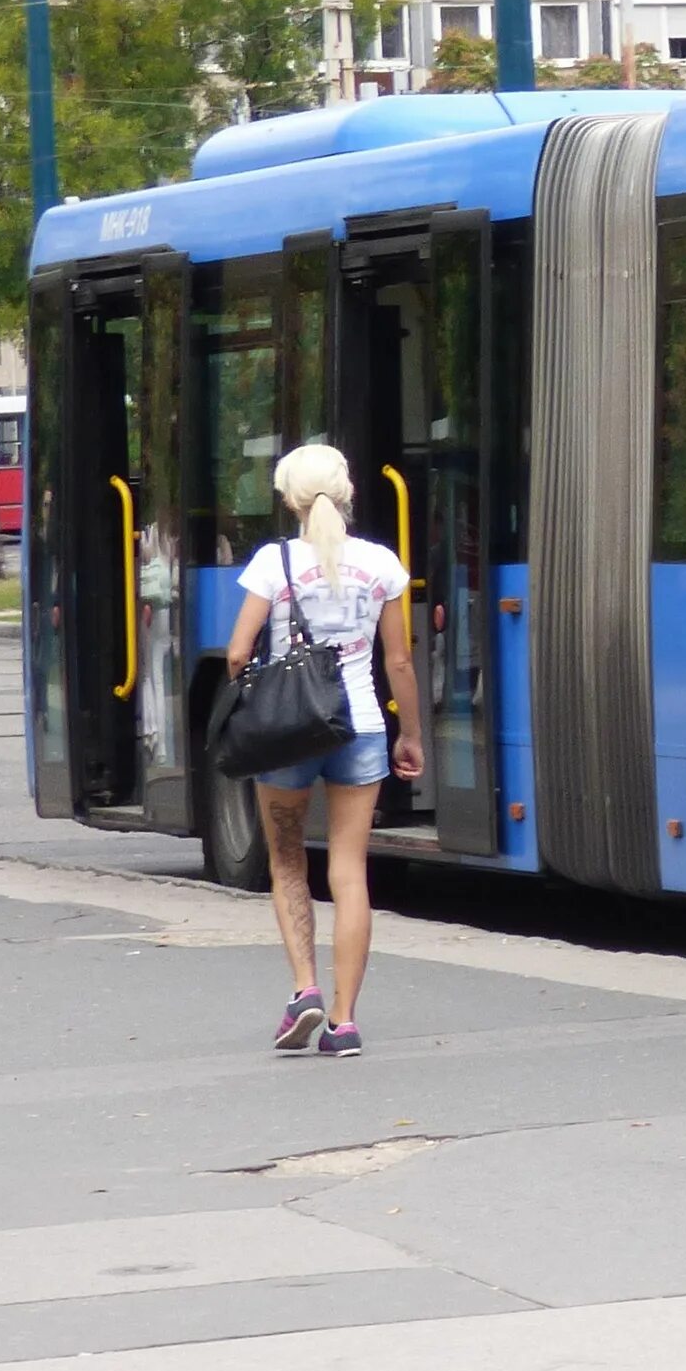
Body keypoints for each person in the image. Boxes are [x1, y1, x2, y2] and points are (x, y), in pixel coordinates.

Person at [221, 444, 423, 1059]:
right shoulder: (381, 564)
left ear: (290, 500)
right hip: (360, 728)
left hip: (289, 731)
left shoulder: (271, 562)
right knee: (350, 870)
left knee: (287, 861)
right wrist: (410, 735)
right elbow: (399, 660)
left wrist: (245, 699)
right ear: (347, 492)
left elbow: (236, 652)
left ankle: (305, 988)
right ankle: (344, 1022)